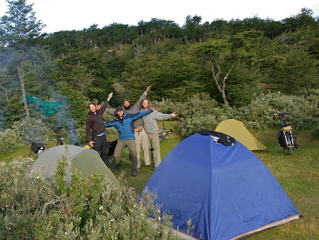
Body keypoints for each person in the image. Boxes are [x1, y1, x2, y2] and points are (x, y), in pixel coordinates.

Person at [105, 86, 151, 169]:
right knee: (135, 149)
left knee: (145, 147)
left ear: (129, 103)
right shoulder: (123, 113)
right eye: (124, 103)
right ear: (123, 106)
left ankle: (147, 163)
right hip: (133, 132)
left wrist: (146, 91)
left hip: (141, 129)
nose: (126, 104)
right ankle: (137, 165)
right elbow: (112, 112)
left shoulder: (135, 107)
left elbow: (141, 100)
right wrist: (103, 109)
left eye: (127, 103)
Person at [104, 106, 154, 177]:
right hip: (121, 140)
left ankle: (134, 170)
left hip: (130, 139)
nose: (120, 112)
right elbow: (106, 124)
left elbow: (140, 114)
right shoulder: (116, 121)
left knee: (134, 154)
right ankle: (117, 165)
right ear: (117, 112)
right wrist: (96, 125)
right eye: (118, 111)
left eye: (121, 111)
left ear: (123, 111)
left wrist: (150, 110)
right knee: (116, 155)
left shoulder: (129, 117)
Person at [141, 99, 178, 169]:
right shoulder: (141, 112)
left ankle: (157, 165)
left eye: (146, 103)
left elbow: (162, 116)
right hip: (146, 133)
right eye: (144, 103)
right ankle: (153, 163)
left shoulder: (153, 112)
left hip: (154, 133)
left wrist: (171, 115)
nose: (145, 104)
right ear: (142, 104)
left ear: (148, 104)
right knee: (150, 149)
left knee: (155, 149)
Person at [86, 92, 113, 167]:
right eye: (91, 107)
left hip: (103, 137)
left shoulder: (99, 112)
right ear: (89, 109)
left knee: (104, 153)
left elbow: (104, 106)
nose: (92, 108)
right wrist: (89, 140)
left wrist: (108, 98)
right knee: (95, 153)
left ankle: (107, 167)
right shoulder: (89, 118)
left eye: (93, 106)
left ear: (95, 106)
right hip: (96, 138)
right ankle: (93, 167)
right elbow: (87, 130)